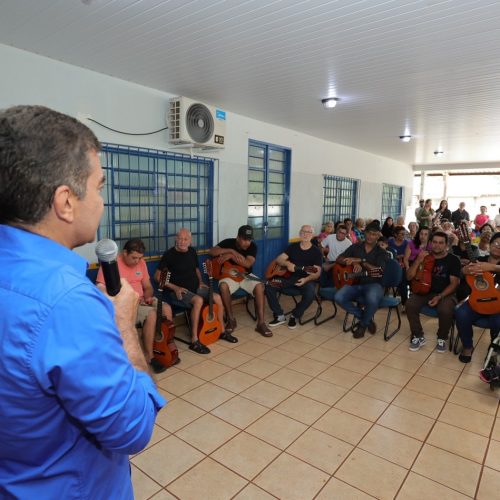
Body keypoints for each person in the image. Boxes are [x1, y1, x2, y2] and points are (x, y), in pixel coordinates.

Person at [0, 105, 165, 499]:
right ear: (66, 202)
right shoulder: (68, 302)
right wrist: (124, 323)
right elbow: (133, 429)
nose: (102, 201)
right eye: (99, 186)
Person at [96, 238, 173, 373]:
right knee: (152, 314)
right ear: (124, 253)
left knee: (166, 309)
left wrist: (148, 297)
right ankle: (150, 357)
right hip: (125, 306)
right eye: (134, 258)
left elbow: (148, 287)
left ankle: (163, 347)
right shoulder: (110, 265)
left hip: (143, 300)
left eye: (139, 258)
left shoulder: (141, 263)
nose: (137, 261)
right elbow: (100, 290)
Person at [155, 228, 234, 354]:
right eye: (180, 238)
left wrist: (201, 281)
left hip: (196, 287)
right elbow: (158, 276)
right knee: (198, 300)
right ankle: (194, 340)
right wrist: (175, 288)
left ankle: (222, 331)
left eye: (185, 239)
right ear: (176, 239)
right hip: (179, 292)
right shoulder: (169, 255)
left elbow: (196, 269)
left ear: (190, 241)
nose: (182, 241)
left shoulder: (192, 251)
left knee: (217, 297)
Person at [208, 225, 272, 338]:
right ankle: (231, 320)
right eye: (244, 239)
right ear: (238, 237)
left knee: (259, 286)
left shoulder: (252, 247)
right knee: (223, 286)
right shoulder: (228, 242)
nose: (247, 242)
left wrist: (231, 256)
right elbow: (212, 252)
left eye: (249, 239)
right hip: (228, 276)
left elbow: (248, 263)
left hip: (245, 275)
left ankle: (261, 323)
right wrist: (231, 250)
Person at [405, 231, 461, 352]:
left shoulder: (453, 260)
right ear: (430, 243)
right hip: (424, 291)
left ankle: (442, 338)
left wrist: (440, 297)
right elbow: (409, 277)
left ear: (447, 245)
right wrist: (418, 261)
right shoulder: (423, 256)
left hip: (445, 293)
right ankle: (418, 335)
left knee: (445, 310)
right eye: (434, 242)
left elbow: (454, 283)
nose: (437, 245)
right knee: (410, 304)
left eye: (441, 243)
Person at [334, 221, 390, 338]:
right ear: (365, 233)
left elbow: (379, 271)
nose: (370, 236)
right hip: (355, 283)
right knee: (338, 297)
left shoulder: (381, 252)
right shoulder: (356, 246)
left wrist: (361, 261)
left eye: (374, 234)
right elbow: (339, 258)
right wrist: (351, 262)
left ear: (378, 236)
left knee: (372, 298)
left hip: (374, 284)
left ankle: (363, 325)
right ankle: (366, 319)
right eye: (369, 233)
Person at [265, 224, 322, 329]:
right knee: (269, 285)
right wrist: (287, 264)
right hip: (288, 279)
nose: (305, 234)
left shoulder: (316, 252)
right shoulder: (293, 247)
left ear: (312, 235)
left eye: (308, 232)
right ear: (300, 233)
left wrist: (306, 279)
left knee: (310, 293)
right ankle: (279, 315)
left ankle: (295, 315)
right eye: (303, 232)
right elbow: (279, 259)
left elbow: (316, 272)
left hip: (306, 280)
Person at [456, 232, 500, 363]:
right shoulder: (478, 260)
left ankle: (494, 349)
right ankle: (468, 346)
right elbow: (461, 274)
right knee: (460, 312)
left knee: (498, 321)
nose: (498, 247)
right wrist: (464, 271)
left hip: (497, 306)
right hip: (477, 301)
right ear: (490, 245)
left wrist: (492, 267)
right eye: (496, 243)